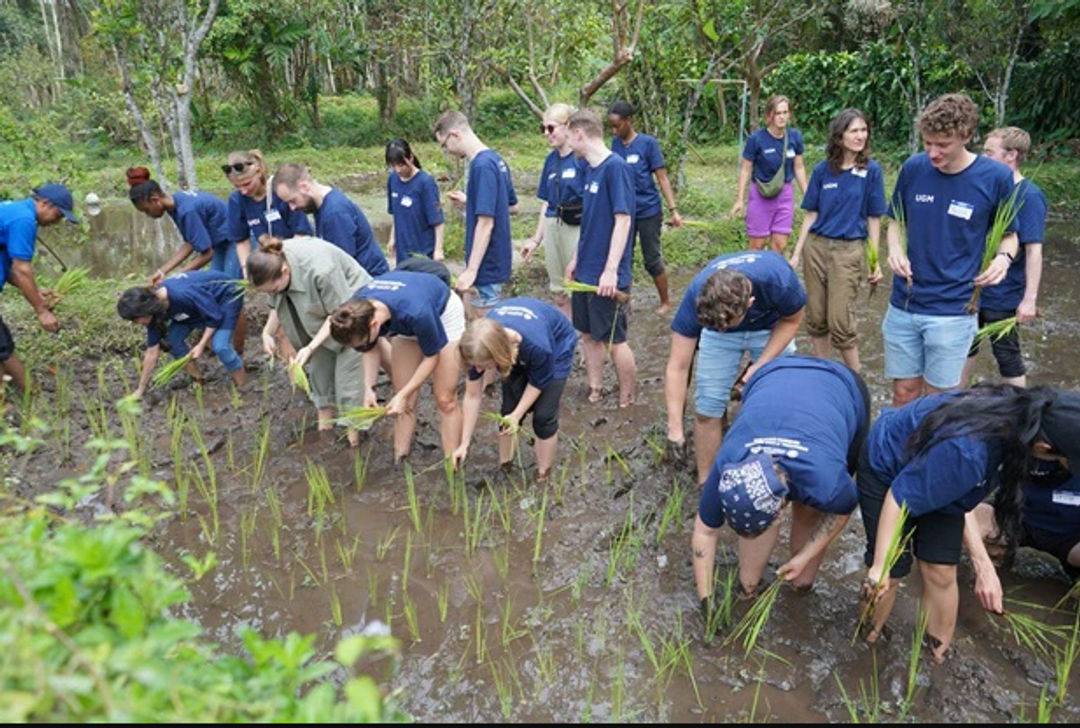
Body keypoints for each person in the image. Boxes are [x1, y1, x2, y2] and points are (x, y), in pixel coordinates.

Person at [856, 385, 1080, 662]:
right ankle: (867, 643)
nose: (1065, 466)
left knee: (940, 570)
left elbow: (960, 495)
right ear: (1044, 447)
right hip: (888, 469)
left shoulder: (1025, 424)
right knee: (892, 571)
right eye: (1064, 459)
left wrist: (983, 563)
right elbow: (898, 497)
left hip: (940, 471)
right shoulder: (969, 452)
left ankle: (935, 657)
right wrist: (879, 566)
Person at [692, 356, 870, 607]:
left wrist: (803, 558)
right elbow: (704, 531)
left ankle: (801, 587)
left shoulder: (828, 483)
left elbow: (840, 512)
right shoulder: (729, 465)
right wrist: (706, 601)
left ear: (778, 513)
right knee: (748, 581)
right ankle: (748, 587)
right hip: (771, 375)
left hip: (844, 388)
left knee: (810, 511)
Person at [883, 93, 1018, 407]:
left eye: (943, 144)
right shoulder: (914, 168)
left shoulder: (995, 178)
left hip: (953, 308)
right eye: (927, 143)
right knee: (903, 392)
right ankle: (899, 453)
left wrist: (1003, 257)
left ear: (967, 136)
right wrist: (894, 249)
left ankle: (931, 454)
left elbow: (1010, 235)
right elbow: (896, 221)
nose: (933, 152)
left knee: (939, 399)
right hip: (904, 302)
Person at [665, 251, 805, 484]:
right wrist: (675, 428)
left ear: (750, 303)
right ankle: (706, 483)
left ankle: (772, 477)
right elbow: (678, 366)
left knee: (775, 404)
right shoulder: (697, 295)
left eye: (725, 325)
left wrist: (761, 364)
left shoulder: (779, 280)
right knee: (707, 408)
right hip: (718, 335)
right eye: (716, 325)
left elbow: (792, 320)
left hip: (771, 326)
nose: (722, 329)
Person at [324, 269, 465, 462]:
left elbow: (432, 357)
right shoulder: (355, 311)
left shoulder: (417, 312)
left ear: (374, 325)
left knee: (445, 399)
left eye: (360, 342)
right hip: (403, 319)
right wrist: (369, 389)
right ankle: (400, 459)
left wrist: (402, 394)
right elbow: (369, 348)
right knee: (404, 402)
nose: (360, 347)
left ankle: (453, 463)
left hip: (441, 314)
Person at [247, 236, 375, 447]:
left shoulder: (321, 270)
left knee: (348, 384)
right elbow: (277, 302)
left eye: (272, 289)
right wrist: (267, 333)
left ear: (285, 272)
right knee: (319, 374)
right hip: (320, 314)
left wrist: (311, 346)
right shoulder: (271, 262)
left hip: (352, 315)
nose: (271, 294)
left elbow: (341, 314)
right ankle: (325, 433)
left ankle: (354, 444)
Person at [788, 108, 887, 372]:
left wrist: (875, 260)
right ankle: (823, 375)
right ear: (839, 135)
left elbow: (874, 219)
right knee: (817, 317)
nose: (860, 136)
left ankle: (855, 385)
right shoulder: (823, 171)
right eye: (854, 130)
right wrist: (797, 253)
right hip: (816, 248)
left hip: (848, 250)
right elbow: (811, 214)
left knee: (840, 320)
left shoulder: (872, 171)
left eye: (864, 130)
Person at [454, 297, 578, 479]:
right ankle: (505, 468)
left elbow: (537, 383)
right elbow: (472, 396)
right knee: (507, 412)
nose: (479, 370)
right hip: (512, 348)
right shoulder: (476, 347)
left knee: (544, 416)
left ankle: (543, 474)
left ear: (498, 354)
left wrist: (518, 415)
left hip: (557, 346)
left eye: (484, 365)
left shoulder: (538, 346)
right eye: (476, 365)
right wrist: (464, 443)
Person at [961, 127, 1047, 388]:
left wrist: (1029, 300)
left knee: (1007, 355)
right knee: (962, 350)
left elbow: (1034, 250)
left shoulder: (1029, 196)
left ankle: (1021, 416)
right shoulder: (985, 188)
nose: (982, 157)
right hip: (970, 289)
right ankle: (952, 408)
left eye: (989, 152)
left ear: (1011, 155)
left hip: (1004, 293)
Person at [564, 108, 637, 408]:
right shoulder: (590, 169)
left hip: (608, 274)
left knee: (614, 340)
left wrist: (610, 271)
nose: (567, 144)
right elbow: (591, 222)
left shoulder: (615, 168)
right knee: (587, 333)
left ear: (579, 134)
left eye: (569, 137)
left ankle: (627, 396)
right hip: (586, 271)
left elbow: (623, 220)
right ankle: (596, 388)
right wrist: (575, 259)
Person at [432, 110, 519, 314]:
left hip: (486, 265)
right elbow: (512, 207)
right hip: (494, 262)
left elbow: (486, 223)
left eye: (444, 144)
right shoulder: (496, 160)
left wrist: (471, 270)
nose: (447, 150)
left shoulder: (481, 166)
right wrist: (471, 203)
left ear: (455, 134)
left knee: (483, 332)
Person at [607, 100, 684, 314]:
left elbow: (662, 177)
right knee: (623, 257)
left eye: (617, 125)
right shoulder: (615, 145)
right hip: (624, 212)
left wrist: (673, 209)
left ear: (629, 121)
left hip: (648, 210)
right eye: (611, 126)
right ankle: (625, 304)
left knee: (651, 259)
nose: (614, 130)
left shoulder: (648, 144)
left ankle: (665, 301)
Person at [117, 271, 246, 396]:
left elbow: (214, 317)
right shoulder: (154, 310)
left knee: (221, 346)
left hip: (226, 295)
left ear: (144, 309)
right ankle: (198, 380)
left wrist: (201, 344)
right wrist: (140, 390)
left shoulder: (180, 295)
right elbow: (152, 353)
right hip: (196, 308)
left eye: (135, 319)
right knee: (172, 341)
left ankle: (243, 387)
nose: (136, 323)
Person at [0, 184, 75, 390]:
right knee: (3, 348)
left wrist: (35, 292)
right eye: (58, 215)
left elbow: (12, 271)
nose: (57, 221)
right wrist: (42, 311)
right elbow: (23, 269)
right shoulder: (24, 220)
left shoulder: (14, 211)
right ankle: (27, 396)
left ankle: (15, 397)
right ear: (45, 203)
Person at [521, 103, 587, 319]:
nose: (547, 134)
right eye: (543, 129)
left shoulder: (582, 159)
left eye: (551, 128)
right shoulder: (551, 160)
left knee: (576, 287)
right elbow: (546, 202)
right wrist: (536, 239)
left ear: (568, 126)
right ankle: (569, 339)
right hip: (553, 226)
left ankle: (584, 341)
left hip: (576, 227)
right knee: (559, 293)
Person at [272, 163, 390, 278]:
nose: (292, 208)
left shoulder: (334, 213)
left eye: (292, 201)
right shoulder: (321, 207)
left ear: (304, 187)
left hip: (369, 282)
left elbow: (341, 266)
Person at [730, 95, 808, 254]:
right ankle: (756, 277)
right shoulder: (756, 139)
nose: (782, 117)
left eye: (785, 112)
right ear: (769, 116)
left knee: (780, 245)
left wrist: (808, 195)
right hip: (761, 194)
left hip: (785, 194)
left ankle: (773, 278)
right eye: (778, 113)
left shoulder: (794, 137)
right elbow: (745, 169)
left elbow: (798, 167)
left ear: (789, 114)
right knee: (757, 246)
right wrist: (739, 200)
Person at [130, 180, 238, 285]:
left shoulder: (186, 211)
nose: (148, 215)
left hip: (237, 239)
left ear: (155, 200)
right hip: (221, 243)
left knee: (230, 285)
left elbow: (207, 254)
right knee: (216, 282)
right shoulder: (176, 203)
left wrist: (178, 277)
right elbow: (190, 242)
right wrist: (162, 271)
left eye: (146, 210)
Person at [224, 149, 313, 271]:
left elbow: (301, 233)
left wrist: (286, 263)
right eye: (237, 187)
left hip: (296, 252)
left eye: (247, 184)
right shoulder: (237, 200)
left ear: (258, 171)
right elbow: (241, 240)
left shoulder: (280, 191)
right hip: (268, 253)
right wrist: (246, 269)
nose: (243, 191)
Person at [385, 138, 445, 266]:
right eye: (393, 166)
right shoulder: (393, 180)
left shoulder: (425, 183)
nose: (398, 170)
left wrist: (438, 249)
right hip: (402, 252)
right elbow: (396, 213)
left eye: (401, 165)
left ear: (410, 158)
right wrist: (392, 238)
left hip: (423, 251)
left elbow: (438, 220)